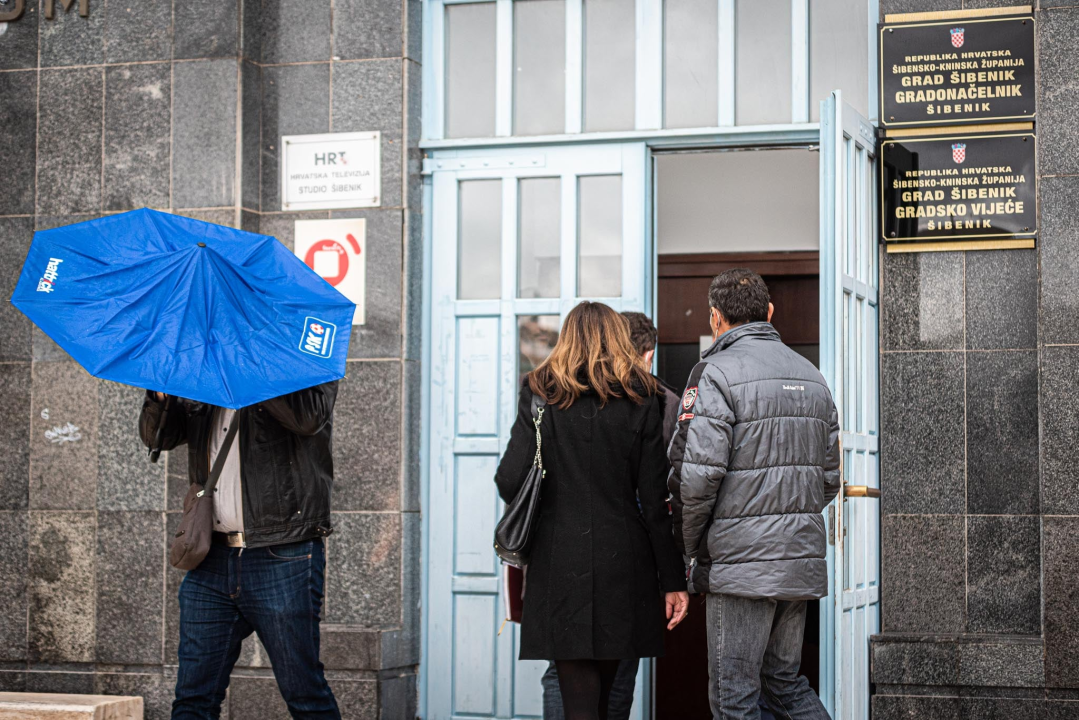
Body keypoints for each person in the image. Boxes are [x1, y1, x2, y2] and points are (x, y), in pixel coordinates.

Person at [496, 302, 689, 720]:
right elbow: (656, 502)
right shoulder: (643, 398)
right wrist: (674, 581)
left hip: (558, 562)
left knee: (578, 704)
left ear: (567, 339)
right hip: (625, 565)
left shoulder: (540, 393)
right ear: (618, 340)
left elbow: (509, 480)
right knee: (605, 703)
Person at [668, 269, 840, 720]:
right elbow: (829, 479)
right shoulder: (812, 375)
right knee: (785, 685)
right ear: (769, 312)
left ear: (715, 319)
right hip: (797, 562)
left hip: (740, 566)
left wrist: (687, 552)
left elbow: (695, 478)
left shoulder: (714, 372)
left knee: (734, 695)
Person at [139, 383, 342, 720]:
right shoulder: (204, 369)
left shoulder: (299, 352)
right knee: (193, 698)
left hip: (282, 555)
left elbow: (309, 418)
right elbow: (158, 438)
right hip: (212, 559)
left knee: (304, 694)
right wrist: (161, 395)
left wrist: (246, 370)